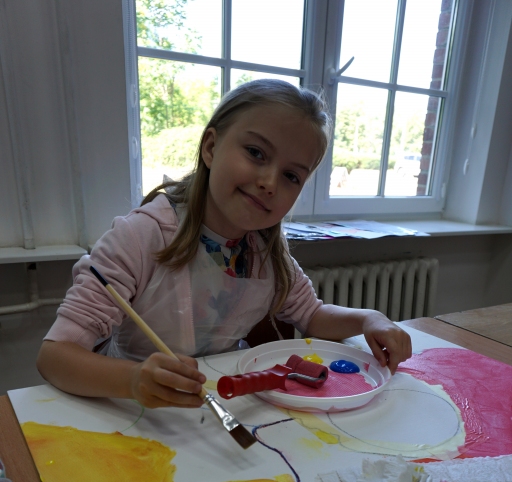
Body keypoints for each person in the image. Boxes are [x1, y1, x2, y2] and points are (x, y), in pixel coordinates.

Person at [37, 79, 412, 410]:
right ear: (211, 147)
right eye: (256, 153)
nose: (269, 182)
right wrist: (134, 381)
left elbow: (312, 316)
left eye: (291, 176)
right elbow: (54, 357)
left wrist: (369, 318)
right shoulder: (140, 237)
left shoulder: (267, 251)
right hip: (134, 411)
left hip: (220, 405)